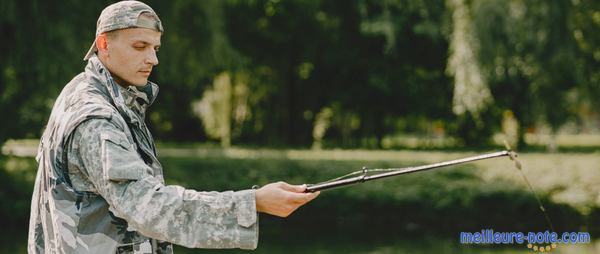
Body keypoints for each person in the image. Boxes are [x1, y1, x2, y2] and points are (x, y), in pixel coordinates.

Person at [27, 1, 319, 253]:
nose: (152, 59)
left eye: (155, 47)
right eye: (139, 46)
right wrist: (252, 203)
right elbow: (150, 208)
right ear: (104, 45)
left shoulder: (86, 91)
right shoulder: (96, 119)